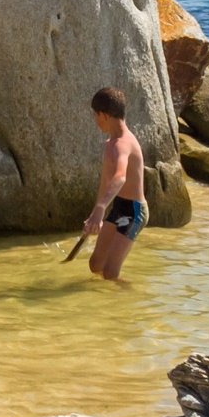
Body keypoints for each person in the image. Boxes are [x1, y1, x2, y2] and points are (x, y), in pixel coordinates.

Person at [82, 85, 146, 281]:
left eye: (95, 115)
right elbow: (105, 183)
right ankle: (104, 296)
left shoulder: (122, 144)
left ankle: (129, 295)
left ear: (103, 115)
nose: (95, 121)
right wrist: (95, 215)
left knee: (110, 272)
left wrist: (101, 208)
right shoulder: (110, 144)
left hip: (135, 211)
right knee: (95, 264)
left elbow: (119, 177)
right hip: (119, 207)